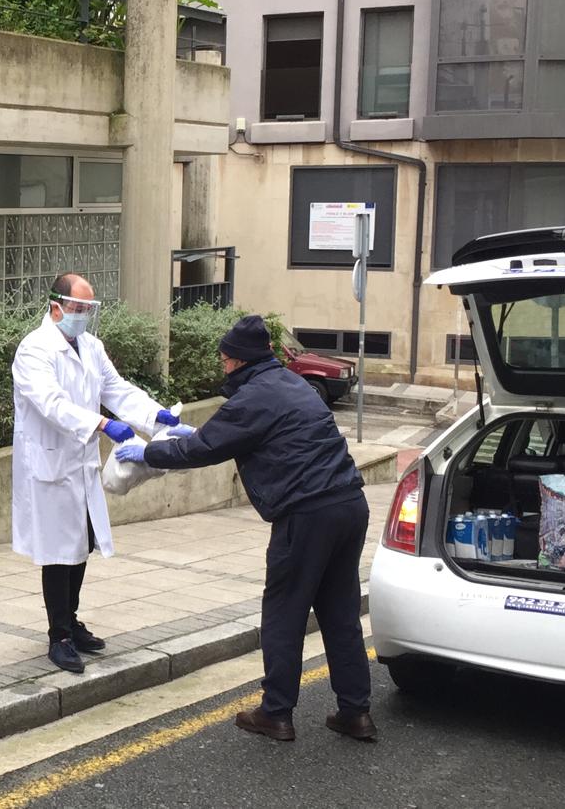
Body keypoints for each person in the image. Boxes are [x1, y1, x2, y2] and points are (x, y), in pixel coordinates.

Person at [113, 314, 377, 742]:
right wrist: (187, 433)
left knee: (285, 612)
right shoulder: (290, 383)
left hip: (306, 514)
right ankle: (356, 713)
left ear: (236, 361)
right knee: (340, 612)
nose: (221, 368)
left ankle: (276, 713)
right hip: (349, 503)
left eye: (223, 360)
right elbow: (226, 434)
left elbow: (204, 448)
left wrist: (147, 454)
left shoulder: (253, 397)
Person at [12, 272, 184, 674]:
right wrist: (103, 425)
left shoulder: (91, 346)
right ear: (56, 306)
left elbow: (117, 389)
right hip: (52, 465)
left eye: (89, 309)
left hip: (82, 464)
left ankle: (72, 620)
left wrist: (153, 415)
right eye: (78, 308)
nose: (84, 316)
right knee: (59, 553)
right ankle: (59, 636)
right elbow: (51, 404)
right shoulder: (34, 350)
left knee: (83, 543)